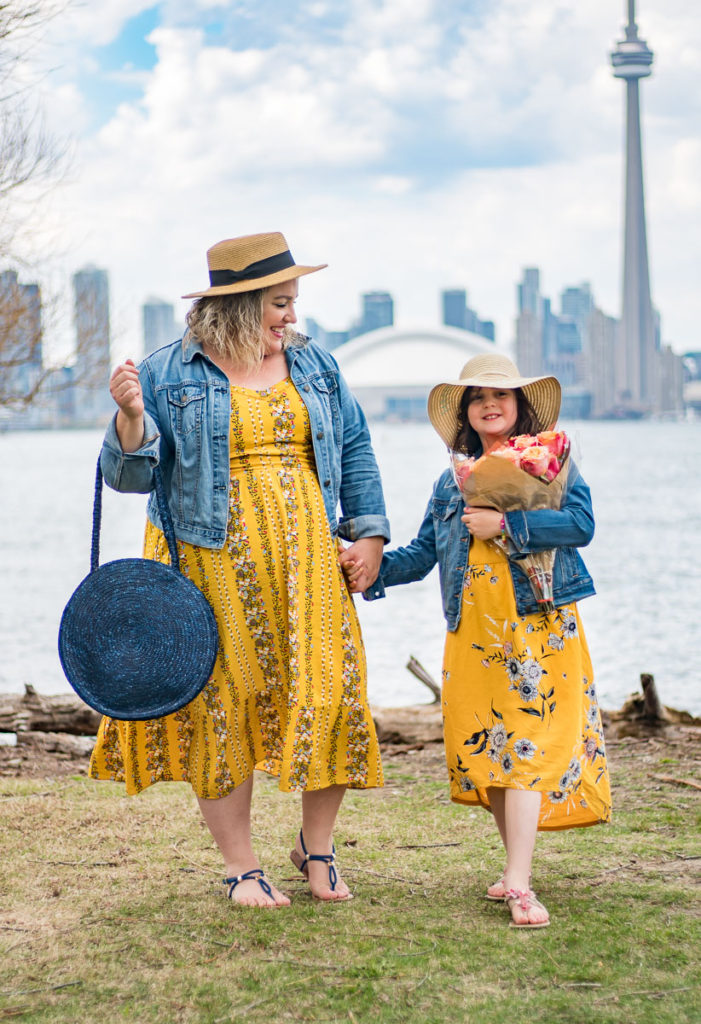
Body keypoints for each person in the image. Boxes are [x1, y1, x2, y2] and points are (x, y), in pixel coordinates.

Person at [90, 231, 389, 907]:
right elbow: (126, 476)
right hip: (207, 562)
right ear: (237, 307)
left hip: (309, 560)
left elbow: (356, 448)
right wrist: (130, 418)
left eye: (291, 301)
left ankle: (318, 850)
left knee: (328, 693)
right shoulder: (169, 372)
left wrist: (367, 535)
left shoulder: (316, 365)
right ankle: (242, 867)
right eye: (277, 303)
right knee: (222, 710)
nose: (289, 315)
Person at [347, 353, 611, 928]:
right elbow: (421, 554)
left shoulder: (552, 463)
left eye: (501, 395)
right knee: (491, 752)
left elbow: (582, 526)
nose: (490, 404)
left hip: (538, 626)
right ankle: (515, 868)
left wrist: (508, 526)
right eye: (477, 397)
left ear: (519, 407)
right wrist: (367, 570)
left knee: (526, 749)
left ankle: (519, 881)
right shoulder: (453, 481)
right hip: (471, 633)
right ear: (467, 413)